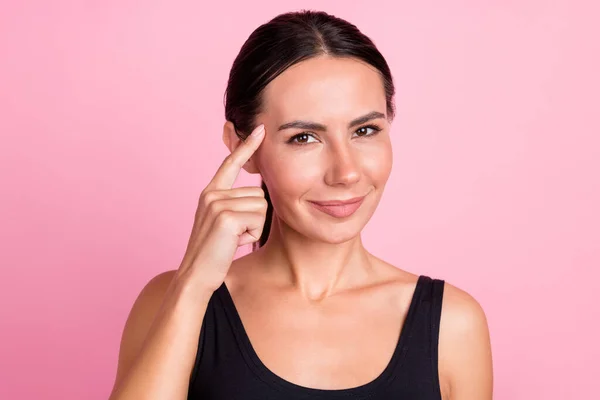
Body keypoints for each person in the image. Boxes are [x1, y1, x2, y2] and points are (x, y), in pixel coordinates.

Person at [108, 10, 493, 400]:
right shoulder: (173, 300)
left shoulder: (452, 325)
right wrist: (193, 285)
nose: (345, 172)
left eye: (365, 130)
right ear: (242, 147)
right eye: (304, 137)